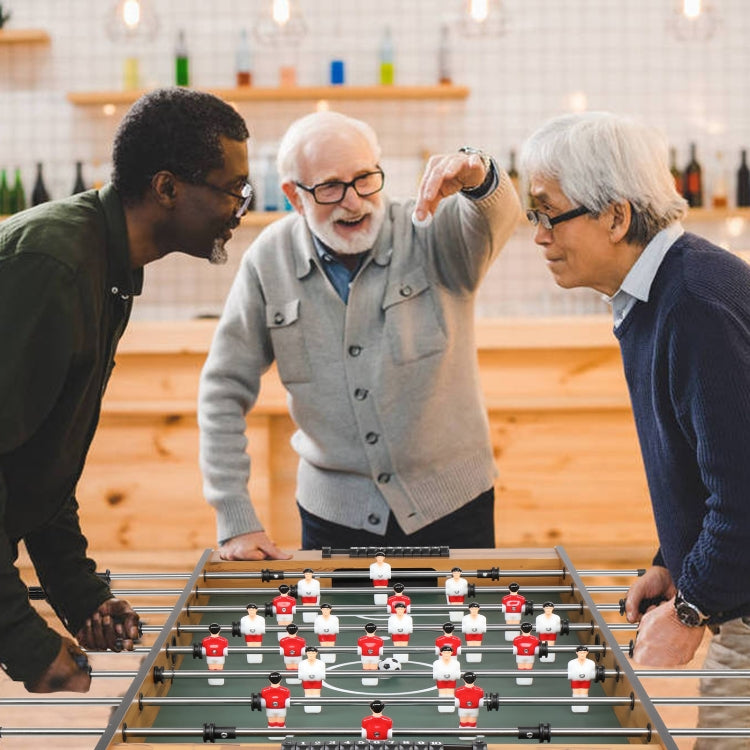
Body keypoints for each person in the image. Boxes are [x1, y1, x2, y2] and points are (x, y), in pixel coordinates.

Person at [0, 87, 251, 693]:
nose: (240, 208)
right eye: (231, 189)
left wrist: (81, 596)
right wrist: (25, 642)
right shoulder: (54, 265)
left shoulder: (106, 267)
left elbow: (39, 461)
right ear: (167, 188)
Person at [198, 109, 522, 560]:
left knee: (456, 632)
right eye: (331, 187)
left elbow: (498, 215)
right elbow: (222, 389)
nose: (354, 201)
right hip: (334, 519)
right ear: (294, 195)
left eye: (366, 178)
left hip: (453, 508)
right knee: (340, 633)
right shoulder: (267, 260)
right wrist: (234, 517)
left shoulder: (428, 230)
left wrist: (479, 172)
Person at [520, 110, 750, 746]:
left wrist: (692, 608)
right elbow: (709, 463)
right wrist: (674, 564)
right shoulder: (657, 292)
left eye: (547, 212)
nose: (537, 235)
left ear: (616, 217)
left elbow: (743, 493)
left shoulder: (697, 301)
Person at [566, 645, 596, 713]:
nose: (582, 654)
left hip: (586, 681)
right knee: (576, 693)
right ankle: (575, 708)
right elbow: (569, 674)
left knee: (584, 694)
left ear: (587, 653)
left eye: (584, 652)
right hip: (575, 680)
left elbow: (593, 674)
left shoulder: (591, 663)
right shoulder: (571, 663)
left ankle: (583, 708)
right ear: (577, 653)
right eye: (580, 652)